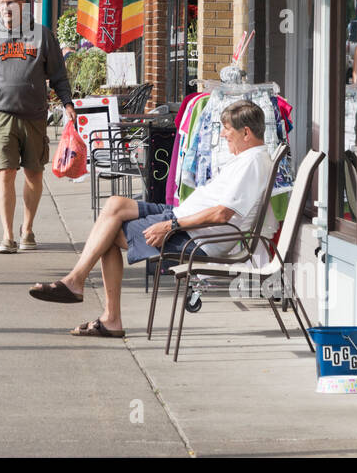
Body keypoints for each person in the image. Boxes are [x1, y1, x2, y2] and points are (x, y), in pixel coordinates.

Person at [27, 101, 274, 338]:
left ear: (246, 133)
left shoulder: (252, 162)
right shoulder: (250, 158)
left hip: (194, 236)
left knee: (110, 234)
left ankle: (102, 310)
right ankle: (76, 283)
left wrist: (171, 225)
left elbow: (222, 214)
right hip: (183, 218)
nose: (222, 135)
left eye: (227, 130)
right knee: (115, 204)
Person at [0, 0, 76, 254]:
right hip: (2, 115)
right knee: (5, 173)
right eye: (1, 4)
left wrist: (68, 103)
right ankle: (7, 235)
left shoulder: (42, 36)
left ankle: (27, 228)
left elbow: (58, 75)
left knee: (34, 175)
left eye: (11, 3)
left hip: (35, 116)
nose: (5, 9)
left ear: (23, 4)